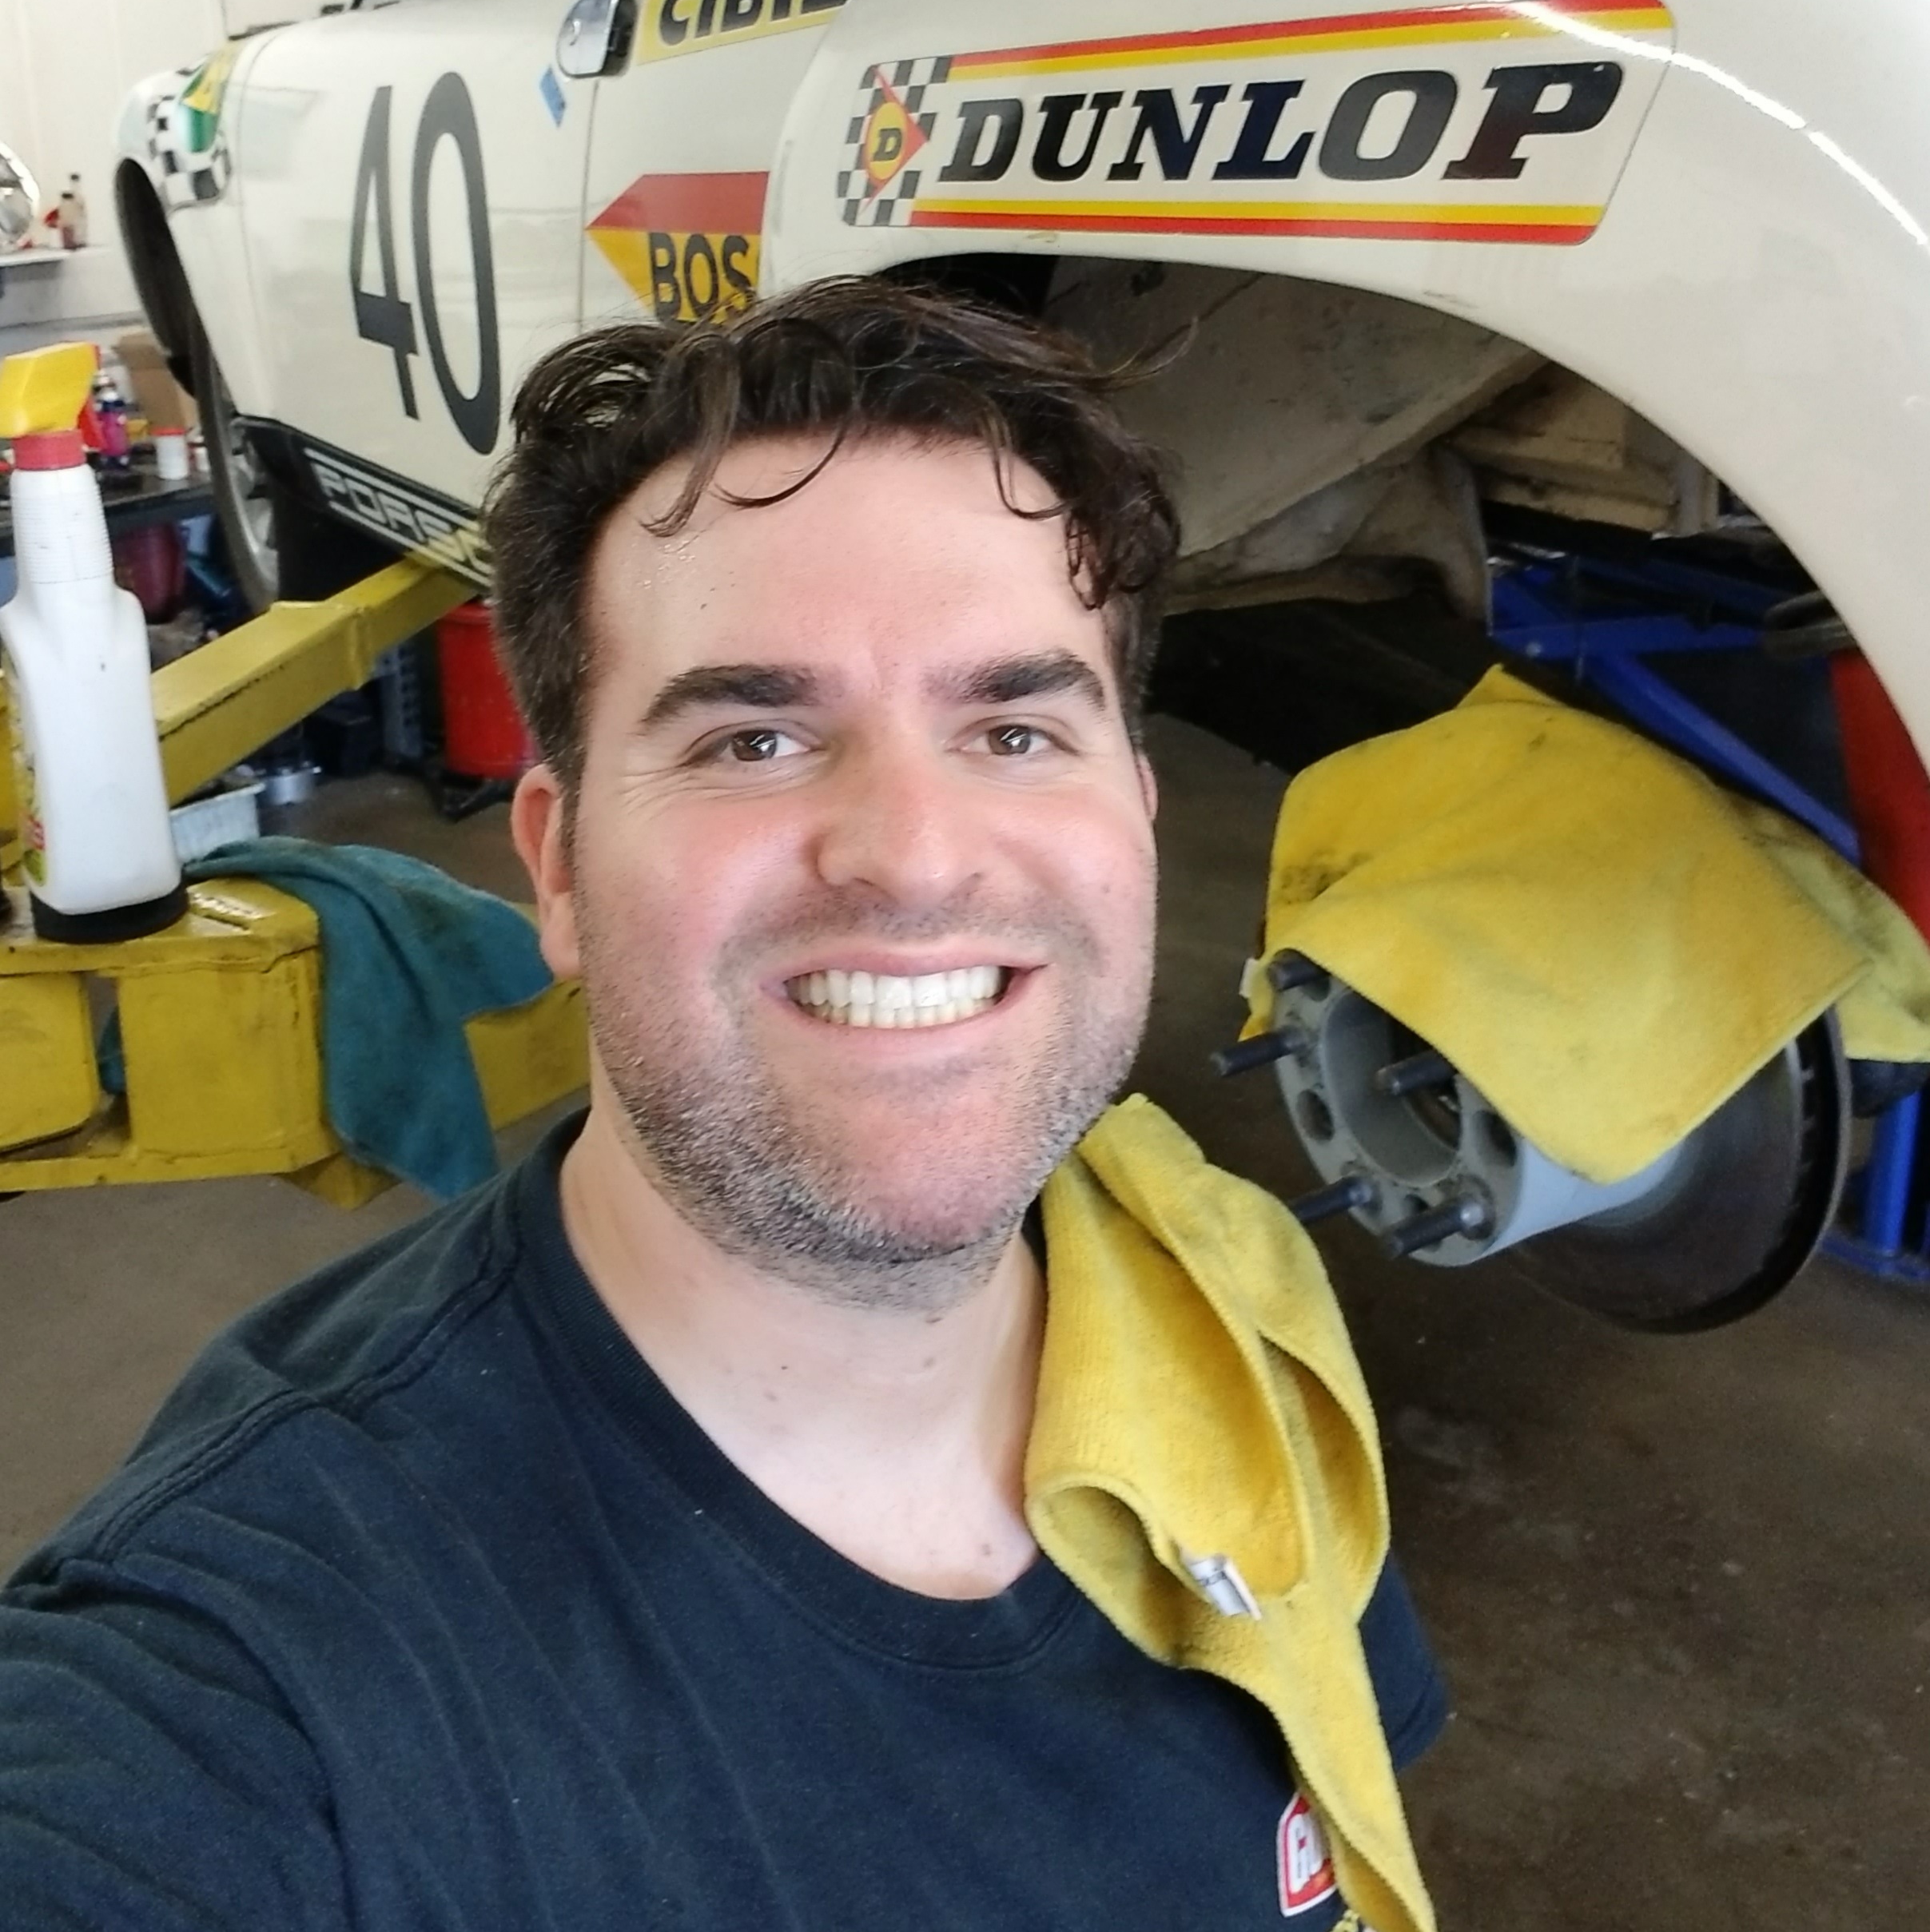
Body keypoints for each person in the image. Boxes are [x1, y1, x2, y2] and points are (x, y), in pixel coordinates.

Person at [0, 278, 1445, 1930]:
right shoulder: (258, 1670)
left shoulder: (1220, 1301)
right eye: (753, 739)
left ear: (1135, 807)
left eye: (1013, 727)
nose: (915, 854)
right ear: (555, 866)